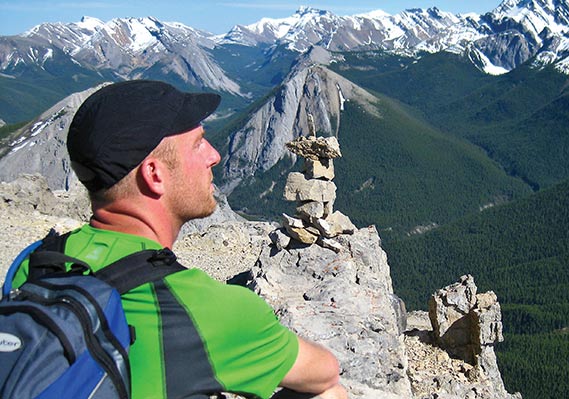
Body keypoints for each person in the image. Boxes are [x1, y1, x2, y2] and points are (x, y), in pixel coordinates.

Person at [10, 80, 348, 399]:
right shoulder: (211, 310)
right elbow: (325, 371)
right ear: (154, 175)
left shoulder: (33, 262)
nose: (214, 155)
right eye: (198, 143)